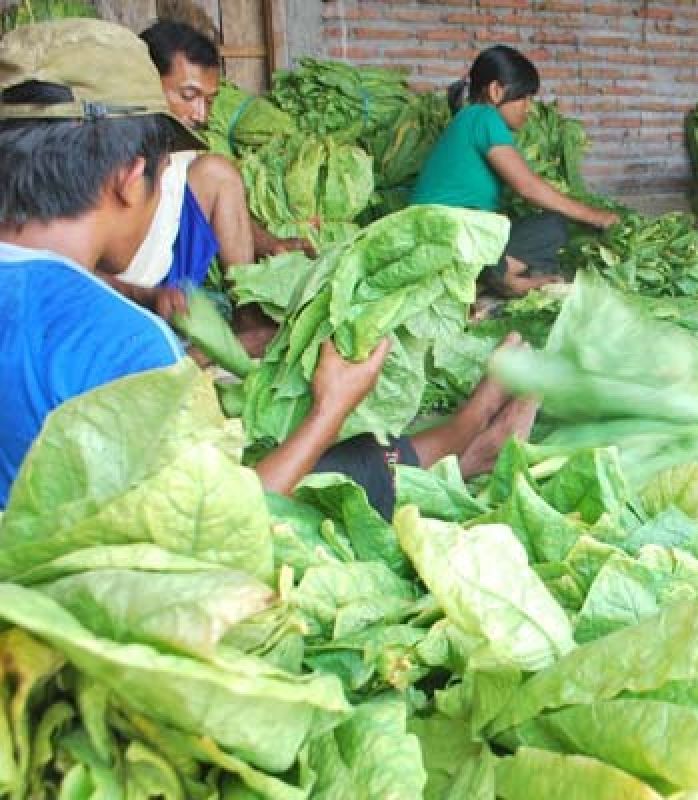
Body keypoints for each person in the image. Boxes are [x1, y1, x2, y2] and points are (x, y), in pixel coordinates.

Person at [0, 19, 534, 514]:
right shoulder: (125, 344)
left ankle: (462, 444)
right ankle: (467, 439)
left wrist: (144, 297)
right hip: (82, 586)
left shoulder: (74, 308)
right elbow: (217, 529)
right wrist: (332, 407)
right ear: (129, 176)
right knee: (316, 468)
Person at [117, 20, 311, 329]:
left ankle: (247, 317)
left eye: (208, 101)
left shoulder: (178, 154)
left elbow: (231, 218)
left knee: (218, 172)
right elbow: (73, 267)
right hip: (119, 298)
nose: (201, 115)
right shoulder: (104, 157)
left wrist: (272, 243)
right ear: (146, 82)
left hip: (166, 290)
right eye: (188, 95)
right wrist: (147, 296)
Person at [411, 45, 619, 297]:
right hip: (449, 241)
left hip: (433, 238)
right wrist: (596, 216)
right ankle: (500, 279)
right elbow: (527, 187)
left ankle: (493, 276)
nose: (529, 108)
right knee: (552, 229)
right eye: (525, 97)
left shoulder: (467, 119)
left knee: (544, 231)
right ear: (496, 91)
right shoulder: (484, 117)